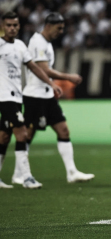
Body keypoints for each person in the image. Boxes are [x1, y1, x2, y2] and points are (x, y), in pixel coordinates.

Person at [11, 12, 95, 185]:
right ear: (48, 26)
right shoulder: (38, 42)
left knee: (63, 130)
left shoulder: (46, 43)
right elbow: (44, 69)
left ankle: (72, 172)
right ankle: (18, 174)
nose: (61, 31)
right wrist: (67, 77)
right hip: (35, 95)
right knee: (27, 134)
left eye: (62, 28)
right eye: (59, 28)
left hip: (46, 95)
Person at [0, 11, 62, 189]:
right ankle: (26, 178)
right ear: (3, 26)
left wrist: (50, 83)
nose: (12, 28)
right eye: (9, 25)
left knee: (4, 137)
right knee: (23, 133)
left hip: (16, 96)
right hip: (4, 97)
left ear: (19, 26)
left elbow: (34, 67)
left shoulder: (20, 45)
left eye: (15, 25)